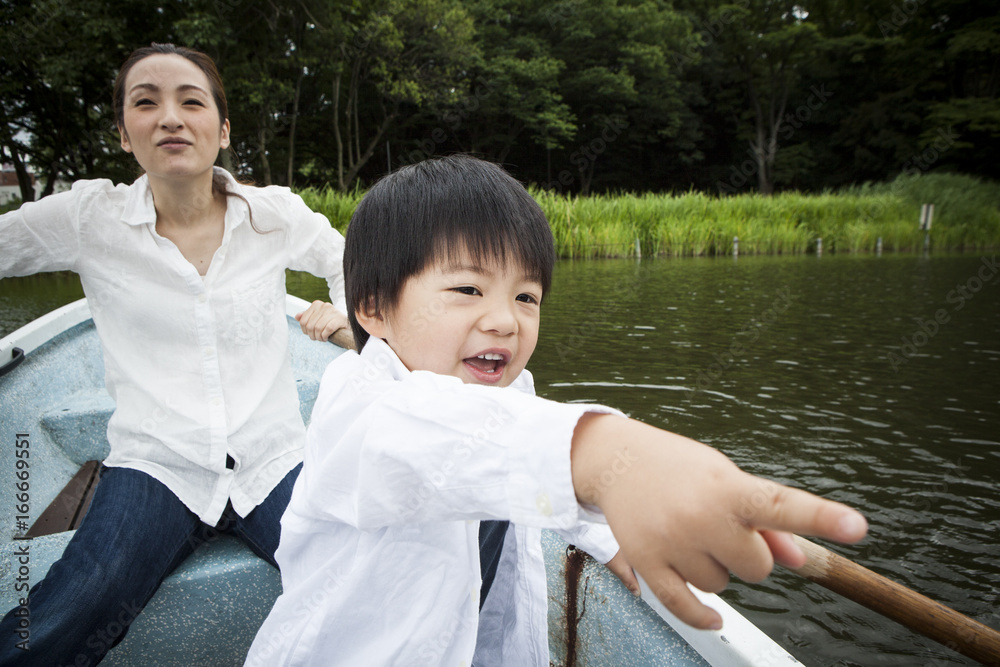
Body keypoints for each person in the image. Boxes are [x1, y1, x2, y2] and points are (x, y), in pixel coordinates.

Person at [245, 155, 868, 666]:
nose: (504, 320)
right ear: (375, 308)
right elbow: (468, 442)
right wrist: (612, 458)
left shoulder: (507, 395)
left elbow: (522, 453)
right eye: (467, 289)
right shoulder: (362, 409)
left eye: (526, 296)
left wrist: (609, 532)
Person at [0, 44, 348, 664]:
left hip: (274, 459)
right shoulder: (89, 220)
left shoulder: (273, 215)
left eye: (191, 101)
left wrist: (349, 320)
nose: (170, 117)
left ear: (222, 129)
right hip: (157, 464)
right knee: (76, 601)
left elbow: (354, 265)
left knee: (361, 581)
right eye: (146, 102)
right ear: (125, 134)